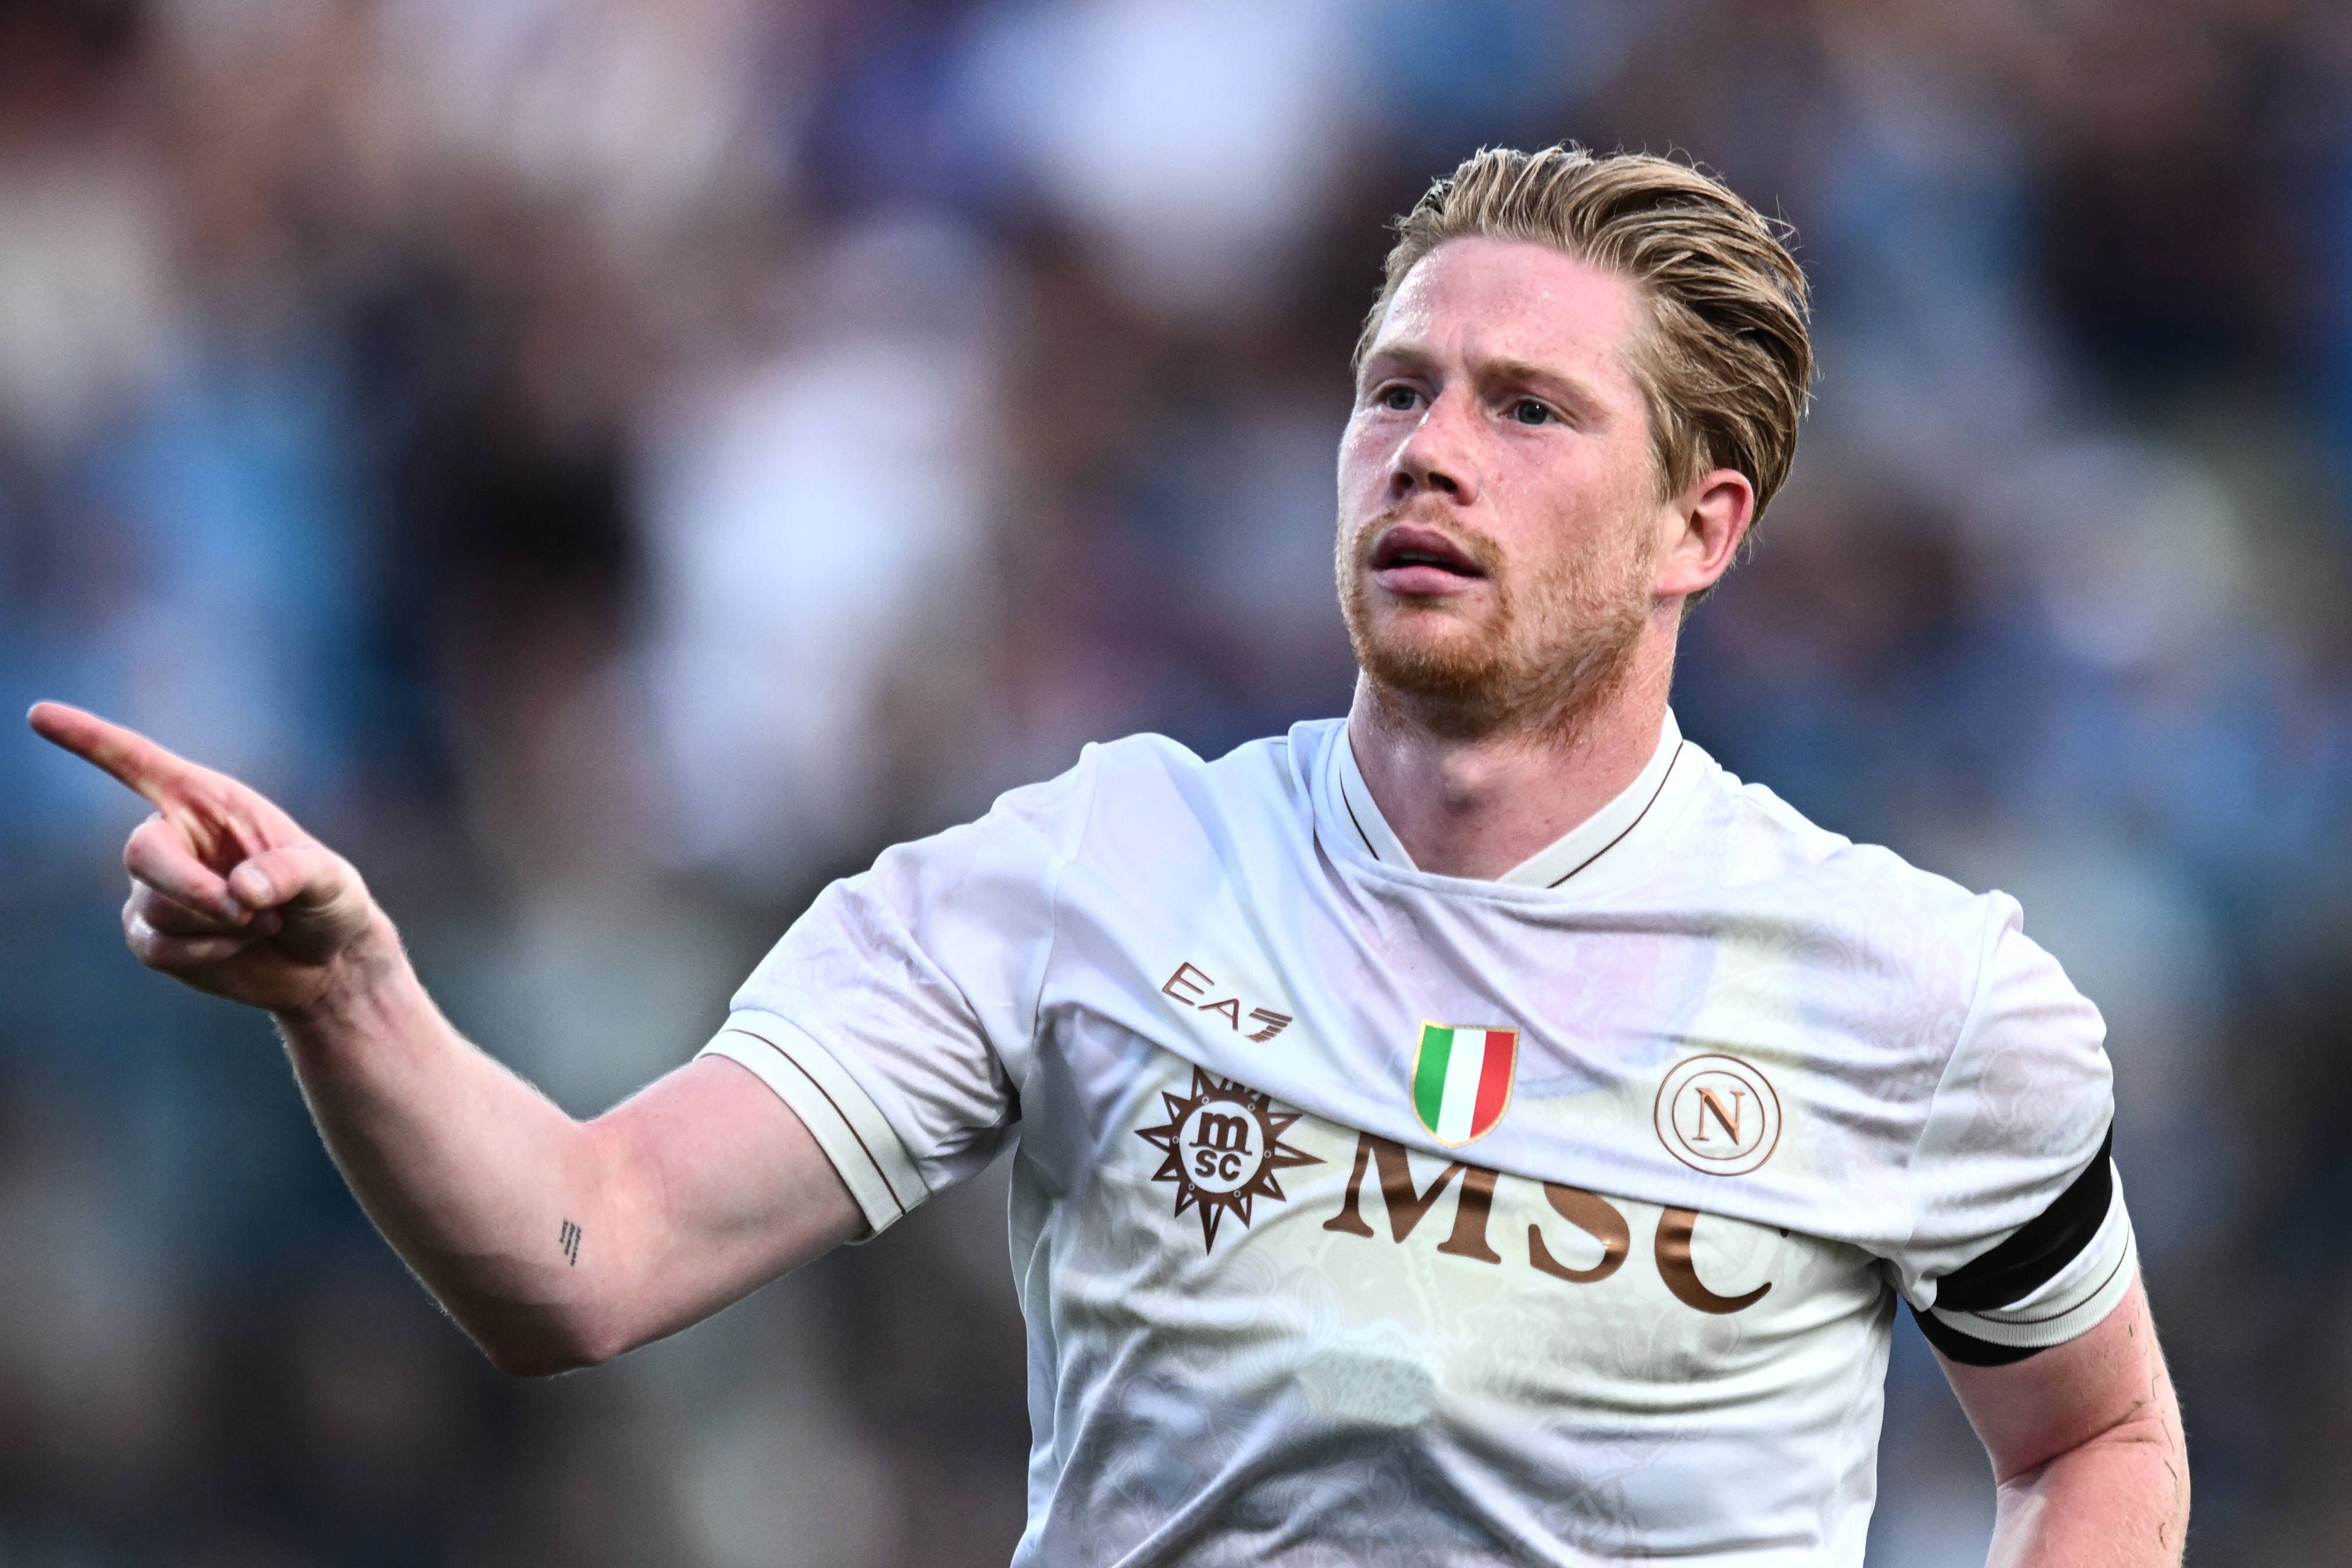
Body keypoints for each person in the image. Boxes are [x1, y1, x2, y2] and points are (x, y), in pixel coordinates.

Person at [29, 145, 2186, 1566]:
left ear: (1694, 530)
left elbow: (2094, 1444)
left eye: (1527, 410)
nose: (1427, 451)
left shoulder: (1916, 998)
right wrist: (350, 996)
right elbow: (584, 1255)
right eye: (1394, 389)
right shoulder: (1093, 875)